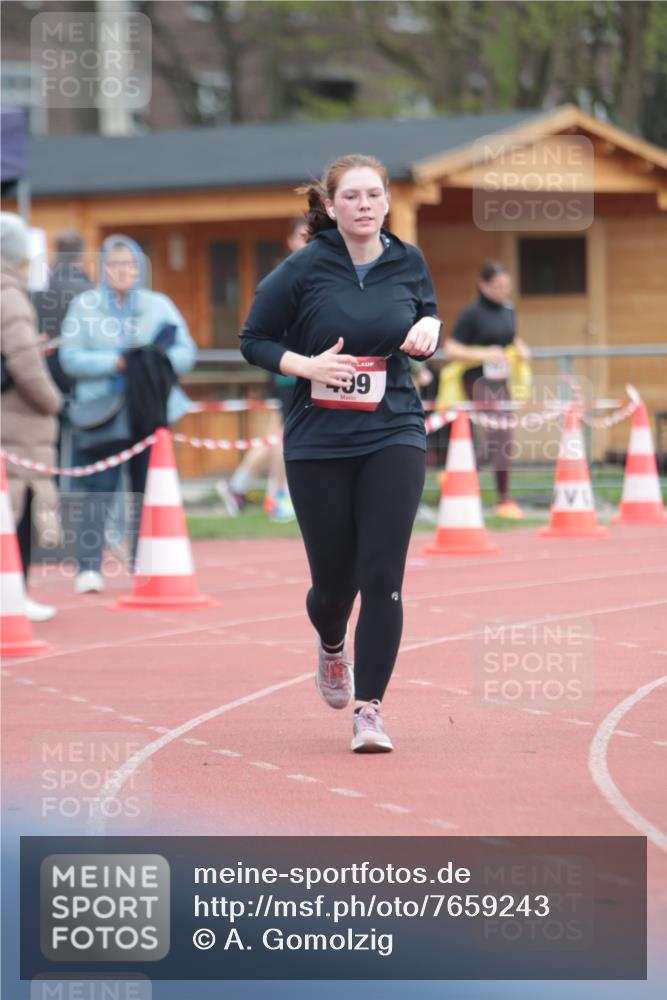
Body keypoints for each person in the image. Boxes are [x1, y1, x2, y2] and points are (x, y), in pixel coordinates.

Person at [240, 154, 441, 753]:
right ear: (331, 207)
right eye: (351, 197)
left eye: (373, 195)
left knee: (384, 576)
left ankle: (370, 709)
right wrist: (308, 365)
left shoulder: (408, 260)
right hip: (319, 441)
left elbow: (424, 312)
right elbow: (254, 339)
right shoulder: (303, 268)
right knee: (334, 586)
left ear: (385, 202)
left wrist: (428, 330)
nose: (364, 205)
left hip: (394, 428)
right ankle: (332, 644)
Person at [59, 234, 196, 594]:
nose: (124, 271)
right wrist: (117, 363)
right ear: (103, 268)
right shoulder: (84, 306)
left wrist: (151, 364)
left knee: (147, 489)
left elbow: (186, 351)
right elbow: (69, 358)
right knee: (97, 490)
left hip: (148, 411)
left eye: (131, 264)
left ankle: (143, 563)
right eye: (116, 264)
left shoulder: (158, 305)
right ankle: (88, 567)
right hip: (102, 411)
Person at [217, 217, 309, 522]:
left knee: (275, 436)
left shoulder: (321, 272)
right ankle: (277, 495)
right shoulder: (283, 278)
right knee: (284, 436)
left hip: (307, 369)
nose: (307, 241)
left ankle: (237, 487)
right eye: (302, 236)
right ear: (291, 240)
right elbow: (261, 330)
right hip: (287, 371)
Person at [0, 212, 63, 622]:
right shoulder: (9, 292)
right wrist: (52, 400)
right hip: (16, 420)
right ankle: (15, 595)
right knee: (18, 509)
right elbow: (22, 361)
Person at [441, 261, 531, 518]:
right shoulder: (472, 314)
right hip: (476, 379)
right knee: (502, 436)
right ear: (483, 285)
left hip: (502, 381)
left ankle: (456, 472)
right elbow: (451, 349)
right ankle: (504, 499)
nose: (504, 291)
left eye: (507, 286)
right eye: (498, 286)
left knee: (501, 439)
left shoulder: (509, 309)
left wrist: (521, 347)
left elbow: (509, 337)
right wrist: (484, 353)